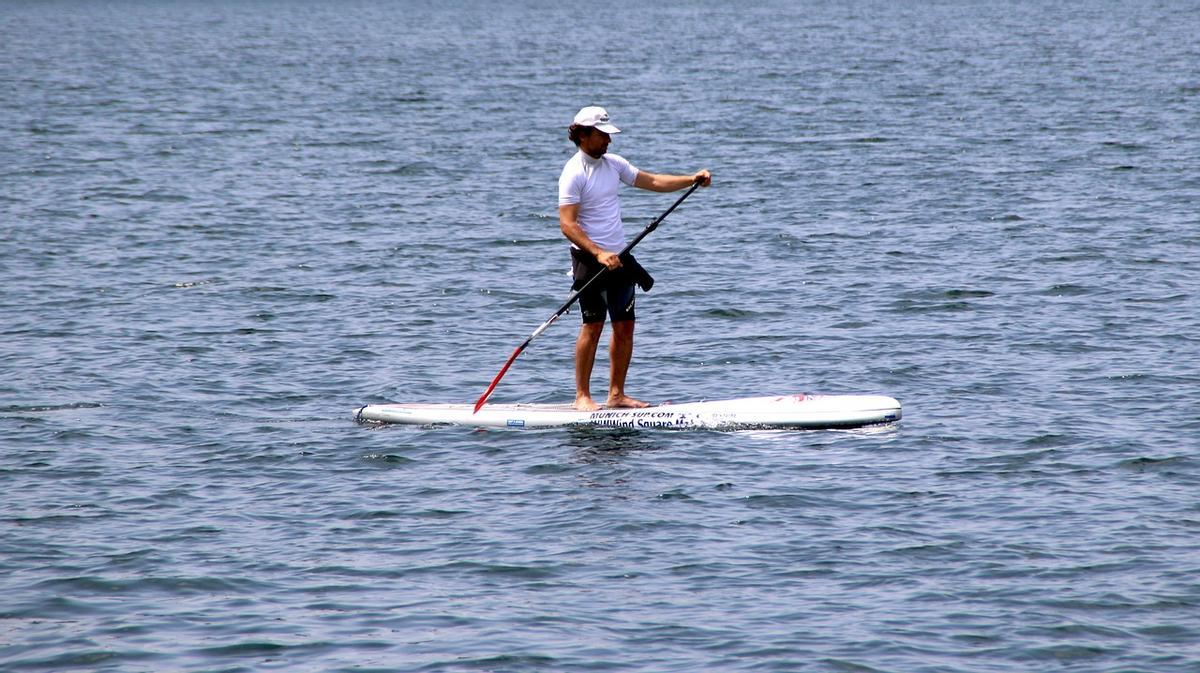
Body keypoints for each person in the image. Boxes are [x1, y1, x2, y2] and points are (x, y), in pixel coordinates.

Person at [558, 106, 712, 411]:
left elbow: (652, 181)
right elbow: (568, 224)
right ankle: (582, 397)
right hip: (590, 260)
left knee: (625, 325)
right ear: (583, 135)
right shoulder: (574, 172)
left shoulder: (614, 165)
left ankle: (616, 394)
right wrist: (599, 253)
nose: (608, 142)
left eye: (609, 135)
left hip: (621, 257)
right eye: (602, 136)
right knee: (593, 325)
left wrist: (690, 179)